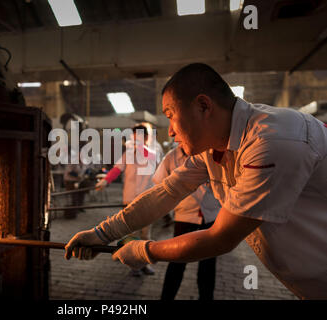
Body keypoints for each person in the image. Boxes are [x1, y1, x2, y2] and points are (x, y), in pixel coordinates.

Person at [64, 63, 327, 299]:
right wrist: (102, 233)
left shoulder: (272, 142)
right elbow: (168, 190)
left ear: (203, 106)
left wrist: (145, 251)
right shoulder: (214, 146)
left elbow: (221, 238)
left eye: (170, 114)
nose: (169, 130)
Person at [153, 146, 221, 300]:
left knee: (208, 264)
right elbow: (159, 181)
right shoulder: (172, 157)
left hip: (210, 213)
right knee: (177, 261)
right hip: (185, 215)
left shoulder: (211, 152)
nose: (174, 135)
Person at [95, 123, 157, 276]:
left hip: (148, 200)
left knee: (145, 235)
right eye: (134, 138)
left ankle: (144, 264)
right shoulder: (128, 155)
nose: (135, 142)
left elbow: (149, 156)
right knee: (133, 235)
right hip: (129, 199)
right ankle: (134, 266)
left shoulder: (153, 153)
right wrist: (105, 181)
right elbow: (117, 169)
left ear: (147, 138)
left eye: (139, 139)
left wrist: (139, 147)